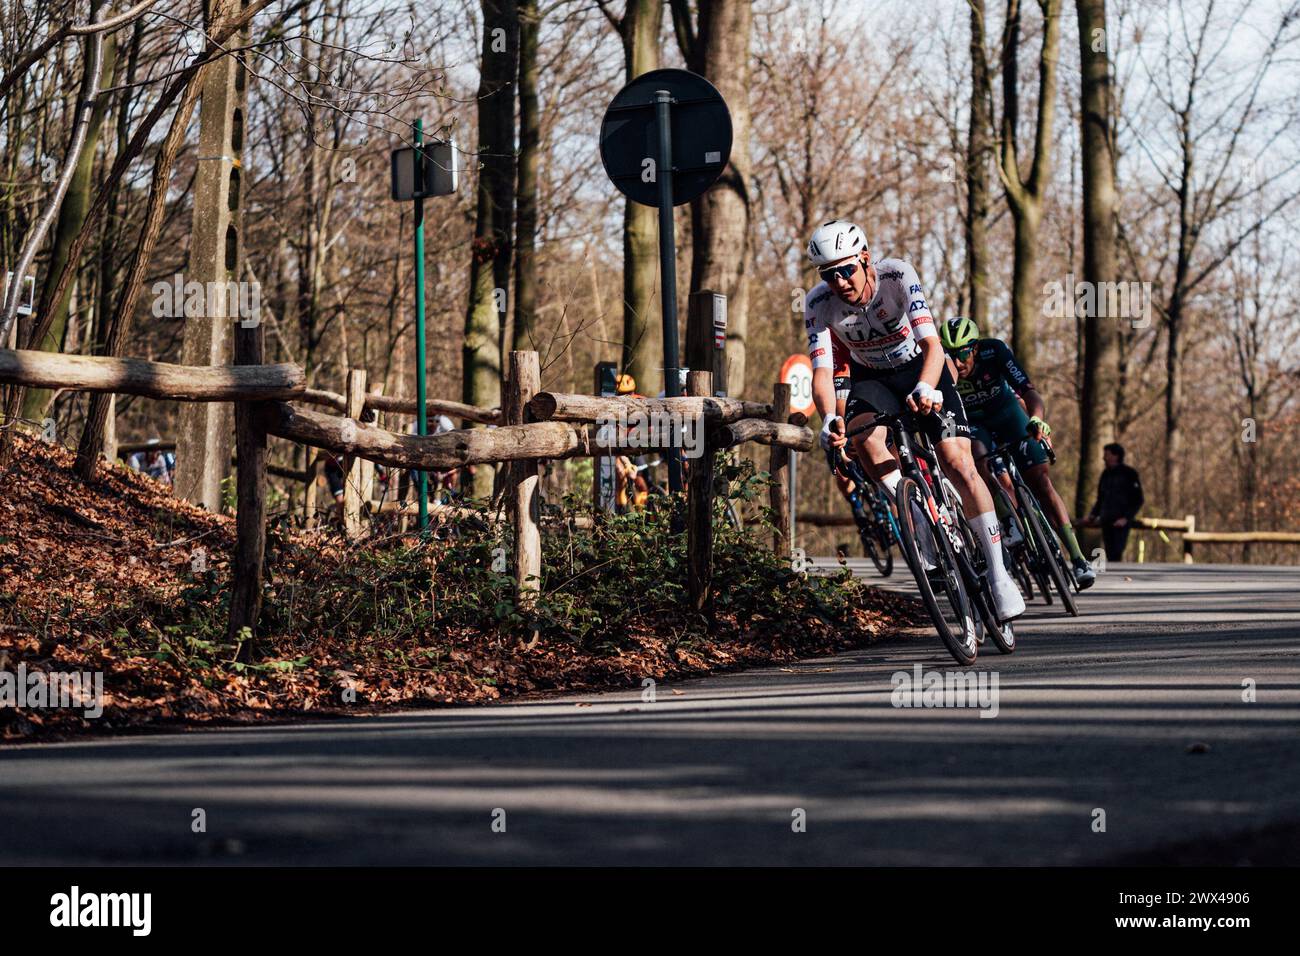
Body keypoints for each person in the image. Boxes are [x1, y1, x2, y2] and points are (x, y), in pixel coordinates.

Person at [805, 219, 1025, 621]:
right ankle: (919, 520)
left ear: (865, 259)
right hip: (872, 378)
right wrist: (827, 418)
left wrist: (927, 387)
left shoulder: (897, 275)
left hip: (923, 367)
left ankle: (998, 573)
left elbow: (932, 345)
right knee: (861, 441)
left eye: (846, 269)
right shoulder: (819, 303)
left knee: (958, 462)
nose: (838, 281)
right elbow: (821, 371)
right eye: (828, 273)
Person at [938, 316, 1096, 589]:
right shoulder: (941, 367)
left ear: (975, 348)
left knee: (1041, 482)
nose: (958, 361)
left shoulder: (994, 351)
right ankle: (1008, 520)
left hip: (1007, 414)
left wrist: (1037, 419)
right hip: (974, 424)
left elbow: (1029, 392)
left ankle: (1078, 558)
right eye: (951, 354)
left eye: (963, 352)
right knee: (975, 458)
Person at [1084, 443, 1145, 562]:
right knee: (1110, 552)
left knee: (1117, 551)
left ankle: (1117, 575)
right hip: (1106, 519)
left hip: (1121, 521)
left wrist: (1126, 518)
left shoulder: (1129, 474)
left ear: (1116, 456)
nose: (1104, 458)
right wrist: (1093, 514)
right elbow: (1101, 498)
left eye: (1107, 455)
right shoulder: (1105, 474)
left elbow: (1138, 499)